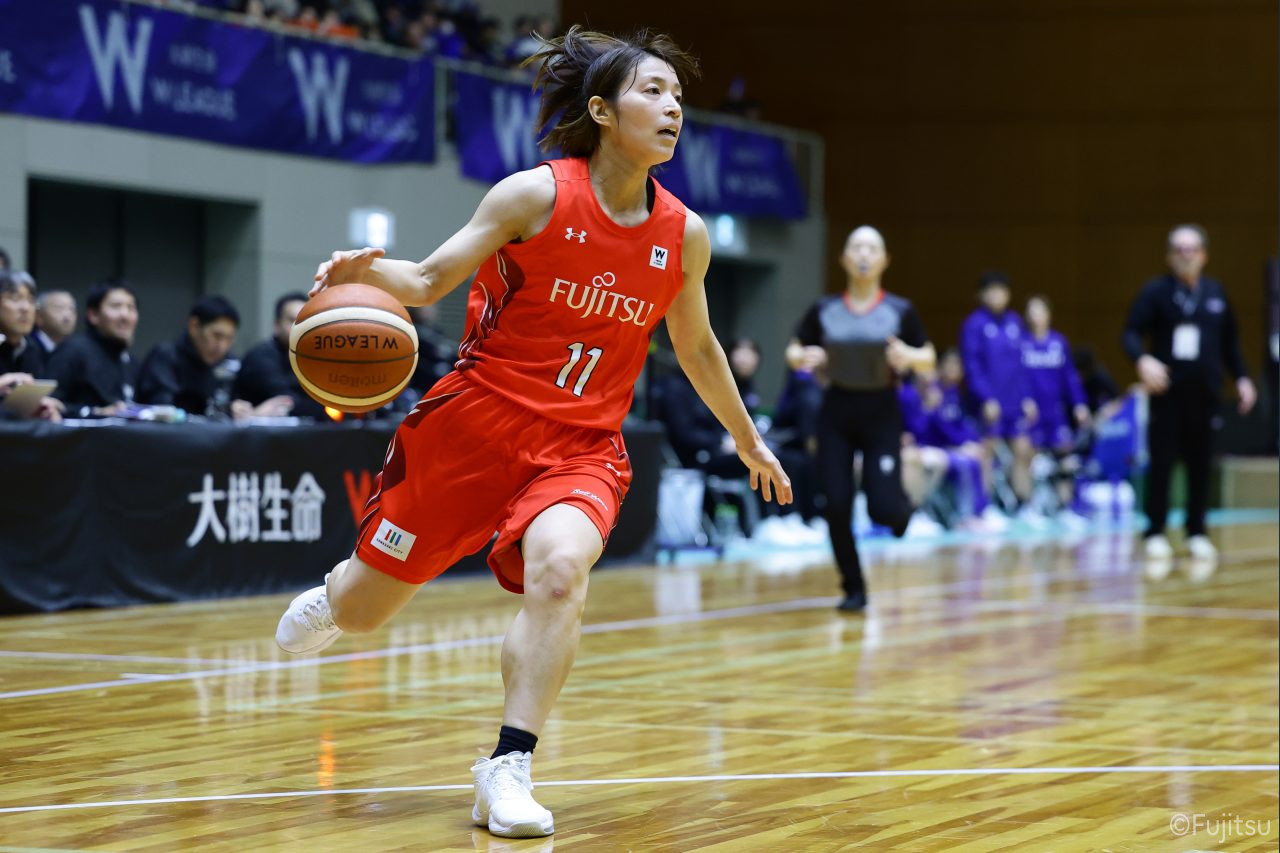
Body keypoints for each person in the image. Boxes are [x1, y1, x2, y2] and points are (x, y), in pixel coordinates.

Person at [273, 27, 791, 840]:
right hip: (475, 427)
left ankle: (508, 764)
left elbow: (697, 347)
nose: (673, 108)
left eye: (679, 97)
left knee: (558, 571)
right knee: (367, 612)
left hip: (582, 447)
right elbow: (428, 279)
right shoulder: (533, 195)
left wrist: (748, 437)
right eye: (653, 91)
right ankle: (340, 592)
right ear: (602, 111)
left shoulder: (683, 234)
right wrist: (364, 270)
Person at [786, 225, 936, 612]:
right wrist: (805, 357)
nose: (864, 254)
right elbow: (794, 350)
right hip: (836, 410)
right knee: (836, 504)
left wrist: (908, 355)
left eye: (872, 248)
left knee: (882, 509)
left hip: (881, 410)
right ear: (844, 259)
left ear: (884, 260)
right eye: (856, 247)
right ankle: (853, 586)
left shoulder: (900, 311)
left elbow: (928, 357)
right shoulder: (826, 309)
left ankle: (903, 511)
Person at [1122, 224, 1255, 561]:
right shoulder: (1156, 292)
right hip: (1167, 393)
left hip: (1205, 395)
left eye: (1192, 249)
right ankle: (1155, 531)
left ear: (1204, 255)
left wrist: (1242, 378)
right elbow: (1131, 333)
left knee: (1200, 464)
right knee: (1162, 463)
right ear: (1169, 256)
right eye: (1179, 249)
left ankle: (1197, 532)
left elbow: (1230, 342)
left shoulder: (1215, 293)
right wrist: (1143, 360)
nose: (1186, 255)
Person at [960, 270, 1038, 516]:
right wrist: (985, 397)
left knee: (1023, 449)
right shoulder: (974, 324)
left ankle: (1025, 506)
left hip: (1014, 400)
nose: (997, 295)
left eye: (1002, 290)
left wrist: (1027, 397)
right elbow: (972, 366)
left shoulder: (1015, 322)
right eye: (991, 291)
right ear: (981, 295)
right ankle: (984, 508)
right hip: (988, 403)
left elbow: (1022, 364)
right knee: (987, 452)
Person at [136, 295, 244, 418]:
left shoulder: (230, 363)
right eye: (216, 336)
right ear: (194, 326)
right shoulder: (165, 357)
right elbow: (162, 411)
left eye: (229, 339)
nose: (222, 346)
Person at [47, 278, 138, 417]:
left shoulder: (129, 361)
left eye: (131, 307)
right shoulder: (73, 351)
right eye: (116, 306)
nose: (125, 315)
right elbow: (49, 404)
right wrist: (95, 412)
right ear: (93, 315)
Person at [231, 291, 319, 419]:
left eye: (305, 320)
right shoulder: (261, 357)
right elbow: (288, 402)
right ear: (276, 325)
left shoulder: (308, 357)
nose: (300, 327)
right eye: (292, 320)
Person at [0, 270, 62, 421]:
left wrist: (44, 409)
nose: (26, 308)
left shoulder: (32, 349)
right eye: (15, 298)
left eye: (31, 300)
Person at [33, 289, 77, 354]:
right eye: (59, 308)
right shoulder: (28, 347)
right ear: (39, 316)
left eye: (72, 309)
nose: (67, 316)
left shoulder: (76, 349)